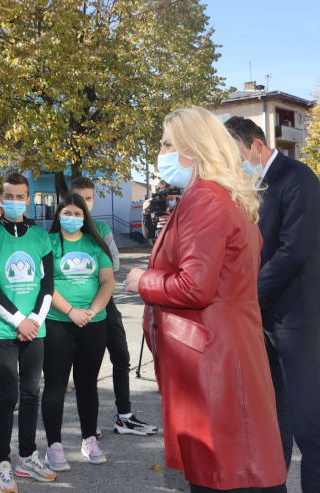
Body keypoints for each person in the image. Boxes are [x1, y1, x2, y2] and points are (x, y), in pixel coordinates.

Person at [125, 106, 287, 492]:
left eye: (167, 144)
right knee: (240, 470)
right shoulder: (221, 196)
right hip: (226, 353)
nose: (160, 153)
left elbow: (195, 286)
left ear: (193, 148)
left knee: (225, 474)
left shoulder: (206, 198)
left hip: (214, 360)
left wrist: (142, 280)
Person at [225, 116, 320, 492]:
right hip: (261, 321)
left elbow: (293, 252)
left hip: (297, 320)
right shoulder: (251, 186)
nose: (234, 166)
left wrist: (247, 296)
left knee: (309, 423)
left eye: (236, 156)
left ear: (256, 146)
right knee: (272, 420)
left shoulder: (297, 178)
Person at [0, 172, 56, 493]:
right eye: (7, 197)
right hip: (4, 331)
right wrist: (17, 321)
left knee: (31, 394)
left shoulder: (41, 237)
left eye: (19, 197)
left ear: (28, 199)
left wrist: (34, 321)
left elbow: (47, 284)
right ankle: (3, 463)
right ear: (2, 198)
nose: (14, 202)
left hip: (34, 329)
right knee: (8, 396)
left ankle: (27, 455)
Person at [69, 177, 157, 436]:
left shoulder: (101, 229)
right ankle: (88, 425)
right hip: (74, 311)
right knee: (85, 368)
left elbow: (114, 264)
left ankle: (124, 416)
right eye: (79, 197)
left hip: (105, 304)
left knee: (121, 356)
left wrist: (88, 270)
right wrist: (96, 267)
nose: (85, 204)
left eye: (89, 198)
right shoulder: (62, 231)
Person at [41, 193, 115, 472]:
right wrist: (71, 311)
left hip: (94, 324)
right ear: (58, 215)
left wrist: (92, 311)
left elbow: (107, 280)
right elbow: (45, 283)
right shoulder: (48, 244)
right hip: (57, 323)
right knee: (55, 386)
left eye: (77, 213)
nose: (72, 218)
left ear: (85, 217)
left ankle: (89, 439)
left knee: (87, 385)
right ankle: (54, 446)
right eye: (67, 213)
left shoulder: (94, 244)